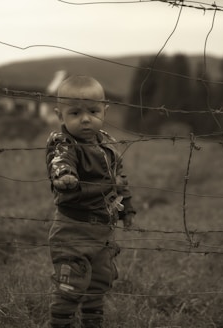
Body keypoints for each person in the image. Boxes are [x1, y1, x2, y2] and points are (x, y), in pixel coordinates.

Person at [46, 75, 136, 328]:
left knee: (99, 280)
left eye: (93, 111)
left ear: (104, 110)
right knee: (71, 283)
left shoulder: (107, 142)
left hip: (103, 229)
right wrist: (64, 176)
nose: (85, 119)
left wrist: (126, 207)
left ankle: (92, 321)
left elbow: (120, 178)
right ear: (60, 115)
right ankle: (60, 323)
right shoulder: (64, 143)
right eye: (75, 113)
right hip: (73, 228)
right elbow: (60, 162)